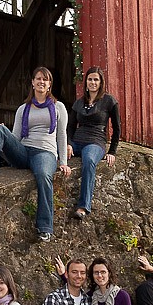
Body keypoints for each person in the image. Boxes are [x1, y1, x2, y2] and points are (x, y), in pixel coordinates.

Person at [0, 66, 70, 242]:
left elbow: (62, 135)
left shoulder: (58, 107)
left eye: (45, 79)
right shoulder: (23, 108)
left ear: (49, 84)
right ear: (32, 82)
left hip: (45, 152)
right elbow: (16, 137)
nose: (41, 82)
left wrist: (63, 161)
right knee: (0, 129)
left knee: (43, 175)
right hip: (25, 151)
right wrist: (3, 134)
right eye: (38, 78)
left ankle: (45, 228)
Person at [66, 65, 120, 220]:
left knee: (89, 160)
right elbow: (70, 126)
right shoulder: (79, 103)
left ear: (101, 82)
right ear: (86, 82)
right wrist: (68, 144)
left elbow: (117, 128)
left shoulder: (109, 101)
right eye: (90, 79)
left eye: (96, 80)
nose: (93, 82)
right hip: (77, 140)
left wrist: (112, 151)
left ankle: (83, 206)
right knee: (55, 152)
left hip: (95, 142)